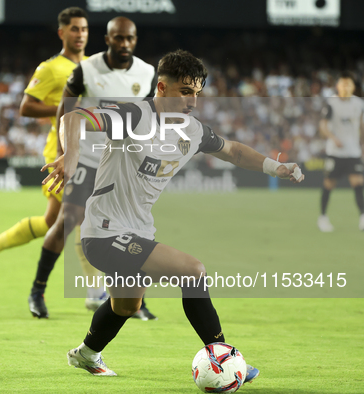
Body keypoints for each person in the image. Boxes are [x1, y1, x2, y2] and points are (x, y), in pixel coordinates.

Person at [42, 50, 304, 380]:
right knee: (193, 271)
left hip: (138, 230)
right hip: (104, 231)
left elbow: (233, 150)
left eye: (197, 93)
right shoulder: (133, 117)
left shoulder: (191, 131)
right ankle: (224, 356)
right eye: (185, 92)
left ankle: (86, 354)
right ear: (162, 89)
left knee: (127, 306)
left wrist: (273, 166)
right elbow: (72, 117)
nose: (193, 101)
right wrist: (70, 157)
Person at [27, 16, 158, 319]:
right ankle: (37, 291)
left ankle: (135, 301)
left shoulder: (147, 73)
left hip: (122, 163)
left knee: (133, 229)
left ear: (135, 40)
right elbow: (65, 108)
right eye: (119, 38)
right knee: (68, 219)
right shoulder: (86, 69)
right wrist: (65, 151)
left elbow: (150, 115)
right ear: (108, 39)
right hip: (86, 156)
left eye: (130, 38)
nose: (124, 44)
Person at [0, 7, 89, 286]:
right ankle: (94, 290)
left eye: (84, 29)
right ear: (62, 33)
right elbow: (26, 107)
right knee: (84, 215)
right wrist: (67, 107)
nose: (80, 34)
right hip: (60, 150)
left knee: (53, 222)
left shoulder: (93, 66)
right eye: (74, 29)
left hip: (88, 150)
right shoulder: (50, 68)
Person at [317, 72, 364, 232]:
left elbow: (361, 126)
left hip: (353, 152)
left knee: (358, 184)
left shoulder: (359, 103)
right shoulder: (332, 103)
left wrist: (362, 145)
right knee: (329, 184)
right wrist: (332, 137)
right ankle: (323, 217)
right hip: (335, 152)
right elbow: (322, 125)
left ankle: (363, 217)